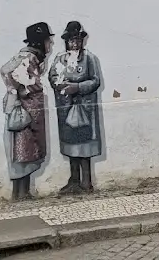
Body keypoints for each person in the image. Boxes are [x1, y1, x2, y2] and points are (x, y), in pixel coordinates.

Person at [0, 22, 54, 200]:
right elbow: (12, 75)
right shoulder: (28, 58)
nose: (50, 45)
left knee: (26, 151)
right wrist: (23, 90)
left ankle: (22, 191)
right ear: (40, 42)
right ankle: (21, 192)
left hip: (27, 111)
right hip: (25, 113)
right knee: (24, 151)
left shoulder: (30, 57)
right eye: (48, 41)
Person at [48, 21, 103, 195]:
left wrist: (78, 88)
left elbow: (95, 80)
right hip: (66, 108)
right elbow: (53, 77)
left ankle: (86, 181)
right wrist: (62, 86)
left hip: (84, 109)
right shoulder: (60, 59)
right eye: (71, 40)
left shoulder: (90, 59)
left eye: (78, 40)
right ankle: (73, 179)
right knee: (71, 144)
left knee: (84, 144)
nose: (74, 44)